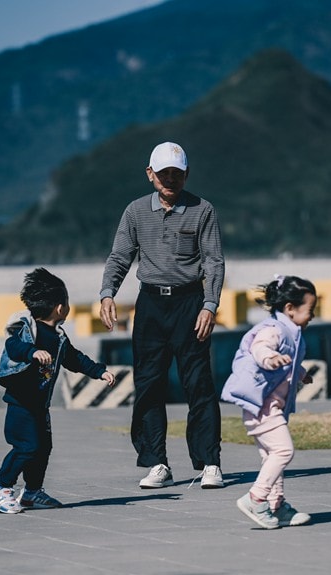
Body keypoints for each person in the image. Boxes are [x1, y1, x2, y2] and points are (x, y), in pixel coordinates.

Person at [99, 141, 226, 490]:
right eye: (164, 173)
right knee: (149, 386)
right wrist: (107, 292)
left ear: (186, 174)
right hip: (151, 306)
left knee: (198, 384)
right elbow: (120, 256)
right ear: (150, 174)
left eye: (177, 173)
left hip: (190, 304)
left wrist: (209, 305)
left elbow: (214, 260)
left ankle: (209, 462)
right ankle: (157, 462)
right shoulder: (135, 211)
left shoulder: (203, 210)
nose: (170, 179)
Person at [0, 268, 116, 513]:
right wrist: (32, 352)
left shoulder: (59, 338)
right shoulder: (29, 329)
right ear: (59, 307)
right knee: (28, 447)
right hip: (20, 404)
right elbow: (13, 346)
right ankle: (0, 487)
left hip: (39, 406)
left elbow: (75, 359)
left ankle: (32, 492)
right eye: (67, 301)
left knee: (43, 447)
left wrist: (99, 371)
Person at [222, 275, 317, 529]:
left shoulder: (291, 332)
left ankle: (277, 506)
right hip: (263, 409)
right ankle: (256, 498)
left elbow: (290, 362)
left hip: (269, 408)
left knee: (271, 457)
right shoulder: (273, 329)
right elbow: (260, 348)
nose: (312, 316)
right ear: (290, 308)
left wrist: (301, 374)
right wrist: (268, 358)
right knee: (284, 451)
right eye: (310, 310)